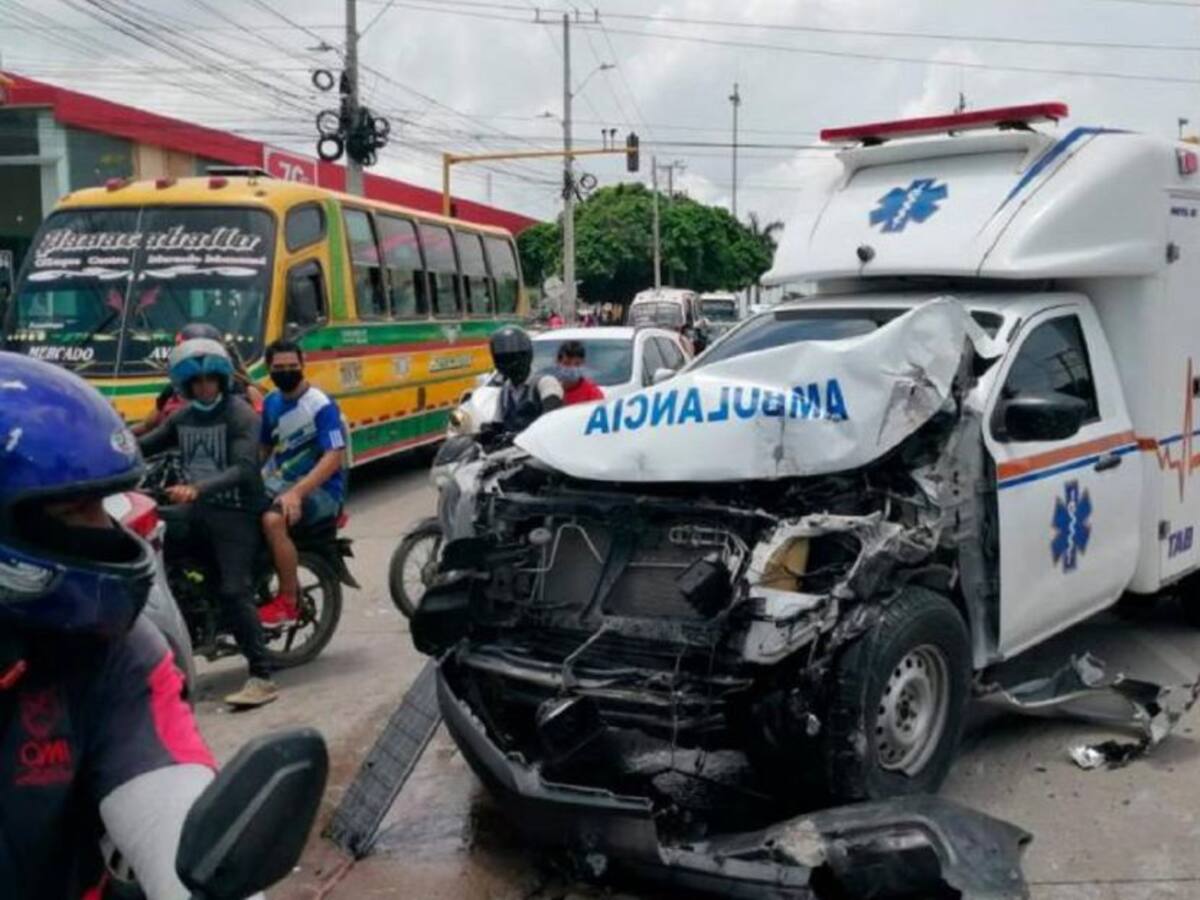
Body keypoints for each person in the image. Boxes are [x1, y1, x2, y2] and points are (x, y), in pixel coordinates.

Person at [0, 351, 217, 899]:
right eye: (75, 511)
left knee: (236, 578)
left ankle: (260, 654)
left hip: (230, 506)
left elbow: (171, 807)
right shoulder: (180, 414)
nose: (103, 529)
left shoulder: (115, 652)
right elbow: (158, 435)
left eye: (101, 505)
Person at [139, 338, 275, 709]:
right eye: (196, 382)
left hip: (237, 512)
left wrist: (198, 488)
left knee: (233, 590)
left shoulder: (240, 415)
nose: (204, 387)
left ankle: (262, 675)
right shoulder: (183, 416)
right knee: (156, 543)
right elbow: (146, 445)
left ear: (221, 379)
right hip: (198, 509)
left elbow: (244, 469)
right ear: (185, 385)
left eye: (209, 380)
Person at [257, 339, 347, 628]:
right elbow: (264, 448)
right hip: (280, 483)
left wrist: (296, 493)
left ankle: (288, 600)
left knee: (273, 521)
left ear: (303, 365)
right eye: (279, 367)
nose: (286, 372)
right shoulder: (271, 402)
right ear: (269, 369)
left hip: (320, 491)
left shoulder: (321, 405)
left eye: (292, 366)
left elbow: (334, 456)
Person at [133, 323, 264, 437]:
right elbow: (150, 425)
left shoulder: (244, 394)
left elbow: (257, 431)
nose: (204, 386)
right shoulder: (173, 391)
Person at [490, 325, 563, 434]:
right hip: (512, 445)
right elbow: (497, 424)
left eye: (512, 358)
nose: (507, 364)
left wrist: (525, 434)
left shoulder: (545, 382)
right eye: (502, 359)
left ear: (526, 356)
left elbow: (551, 412)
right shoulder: (505, 391)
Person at [554, 340, 605, 405]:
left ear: (583, 364)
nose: (572, 368)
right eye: (567, 363)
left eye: (577, 364)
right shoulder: (551, 389)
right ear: (558, 362)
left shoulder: (592, 392)